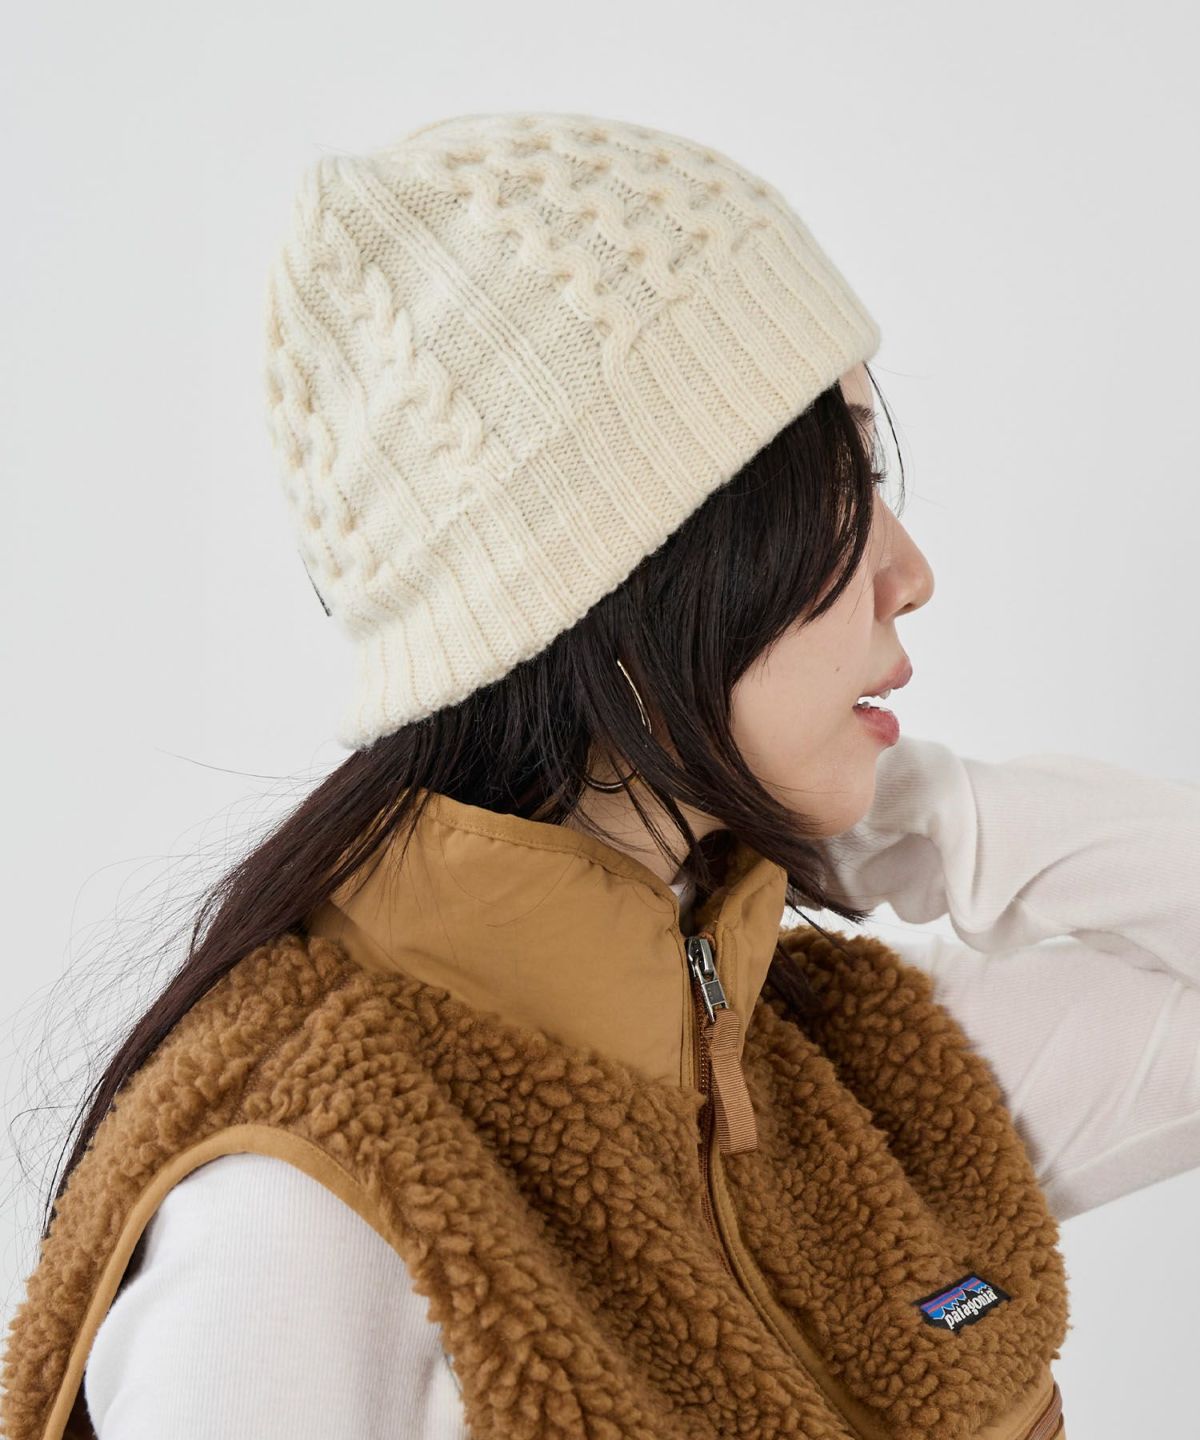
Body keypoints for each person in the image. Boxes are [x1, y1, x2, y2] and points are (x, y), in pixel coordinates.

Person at [4, 110, 1198, 1440]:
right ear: (622, 568)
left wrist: (936, 823)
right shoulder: (304, 1203)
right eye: (838, 475)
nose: (909, 571)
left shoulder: (841, 1080)